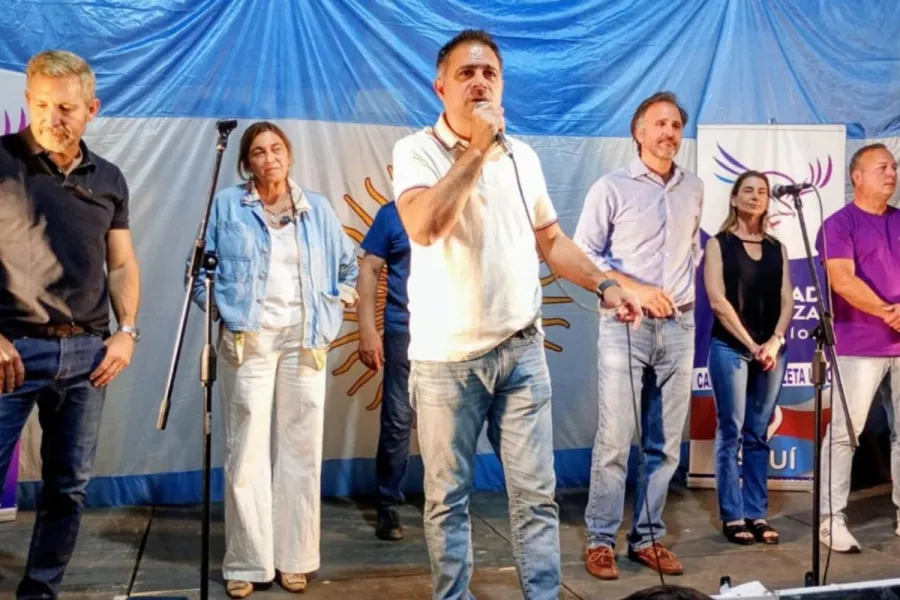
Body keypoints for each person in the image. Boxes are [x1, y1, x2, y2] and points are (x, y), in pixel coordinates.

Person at [392, 29, 641, 600]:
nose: (480, 82)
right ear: (440, 87)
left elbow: (551, 241)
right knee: (447, 499)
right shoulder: (416, 151)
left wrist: (606, 284)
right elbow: (424, 227)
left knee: (536, 496)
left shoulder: (521, 156)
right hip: (446, 360)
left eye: (490, 74)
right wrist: (477, 149)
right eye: (466, 73)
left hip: (521, 350)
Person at [190, 121, 359, 597]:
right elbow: (198, 272)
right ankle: (247, 562)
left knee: (301, 451)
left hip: (304, 341)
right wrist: (223, 313)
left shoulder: (316, 209)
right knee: (246, 451)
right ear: (247, 162)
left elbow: (348, 266)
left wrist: (335, 304)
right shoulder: (228, 205)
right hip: (250, 341)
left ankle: (295, 558)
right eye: (260, 151)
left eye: (277, 148)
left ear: (289, 155)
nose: (270, 158)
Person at [0, 50, 141, 599]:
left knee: (68, 489)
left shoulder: (109, 178)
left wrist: (127, 331)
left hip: (86, 358)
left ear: (91, 109)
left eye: (64, 108)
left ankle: (41, 592)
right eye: (40, 105)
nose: (50, 118)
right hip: (11, 353)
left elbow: (121, 263)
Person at [574, 91, 703, 579]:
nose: (669, 133)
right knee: (614, 439)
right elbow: (584, 257)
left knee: (665, 444)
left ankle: (647, 537)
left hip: (680, 325)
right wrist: (639, 291)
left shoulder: (694, 187)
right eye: (660, 124)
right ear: (639, 132)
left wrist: (678, 298)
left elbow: (691, 250)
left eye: (676, 125)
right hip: (626, 324)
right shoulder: (611, 187)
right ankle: (600, 539)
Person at [817, 143, 900, 553]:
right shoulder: (839, 224)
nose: (892, 173)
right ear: (857, 176)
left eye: (894, 167)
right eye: (882, 167)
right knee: (845, 434)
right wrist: (889, 312)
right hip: (858, 345)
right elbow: (842, 279)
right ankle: (830, 520)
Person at [704, 171, 792, 545]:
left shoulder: (777, 247)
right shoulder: (718, 244)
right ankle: (733, 515)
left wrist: (773, 341)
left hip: (771, 351)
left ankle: (756, 513)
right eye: (748, 190)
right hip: (730, 347)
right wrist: (751, 344)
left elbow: (787, 299)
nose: (756, 196)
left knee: (758, 433)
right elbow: (717, 300)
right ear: (734, 198)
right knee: (731, 430)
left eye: (762, 192)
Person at [357, 201, 413, 541]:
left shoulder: (462, 204)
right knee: (398, 417)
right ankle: (388, 502)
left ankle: (451, 498)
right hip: (402, 330)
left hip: (456, 330)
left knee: (455, 417)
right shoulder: (392, 213)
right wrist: (367, 328)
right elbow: (369, 267)